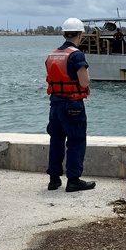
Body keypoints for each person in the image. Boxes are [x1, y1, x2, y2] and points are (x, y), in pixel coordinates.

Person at [45, 18, 96, 193]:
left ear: (63, 34)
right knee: (76, 141)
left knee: (56, 140)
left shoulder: (52, 54)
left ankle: (54, 179)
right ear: (80, 35)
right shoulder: (76, 55)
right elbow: (84, 82)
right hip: (72, 103)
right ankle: (73, 180)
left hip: (55, 103)